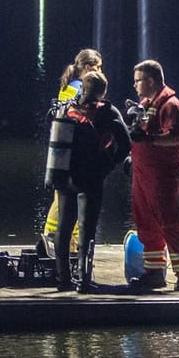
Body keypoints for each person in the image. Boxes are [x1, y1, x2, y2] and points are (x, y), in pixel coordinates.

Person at [53, 71, 131, 293]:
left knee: (64, 227)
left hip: (65, 175)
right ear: (103, 91)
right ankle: (84, 281)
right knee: (87, 229)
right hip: (91, 176)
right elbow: (125, 144)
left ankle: (63, 279)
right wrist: (109, 165)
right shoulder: (107, 112)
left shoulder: (66, 108)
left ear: (82, 88)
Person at [128, 59, 179, 292]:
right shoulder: (146, 104)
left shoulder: (171, 105)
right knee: (146, 222)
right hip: (143, 173)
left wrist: (148, 140)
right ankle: (154, 272)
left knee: (168, 222)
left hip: (162, 174)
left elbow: (176, 137)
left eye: (138, 80)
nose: (135, 85)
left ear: (151, 80)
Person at [40, 48, 104, 255]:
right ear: (86, 68)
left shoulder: (67, 86)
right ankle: (70, 244)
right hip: (74, 149)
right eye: (97, 67)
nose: (100, 71)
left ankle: (51, 235)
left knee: (61, 196)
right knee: (71, 200)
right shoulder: (79, 89)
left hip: (61, 147)